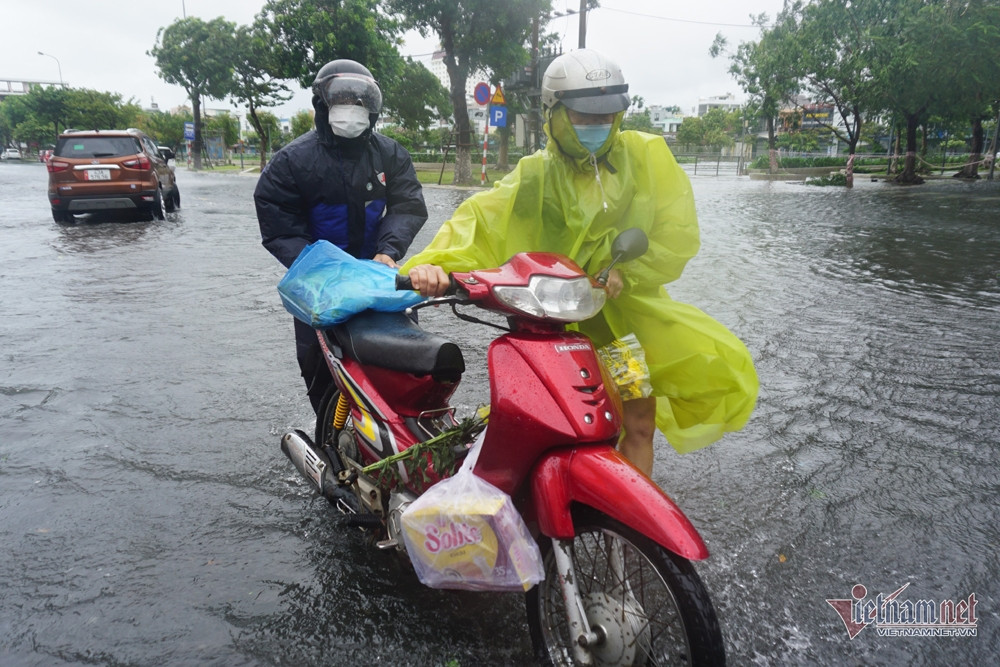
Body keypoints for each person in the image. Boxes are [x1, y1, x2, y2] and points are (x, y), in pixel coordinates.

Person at [404, 49, 758, 477]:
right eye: (585, 117)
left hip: (621, 326)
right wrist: (436, 266)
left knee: (639, 425)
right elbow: (480, 219)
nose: (598, 126)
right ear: (553, 114)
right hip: (555, 325)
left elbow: (676, 232)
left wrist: (629, 272)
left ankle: (629, 531)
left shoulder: (644, 158)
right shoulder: (536, 174)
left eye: (607, 116)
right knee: (554, 427)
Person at [255, 59, 428, 413]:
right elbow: (279, 221)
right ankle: (329, 445)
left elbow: (407, 206)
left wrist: (388, 250)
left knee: (408, 364)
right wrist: (317, 266)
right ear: (322, 105)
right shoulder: (293, 161)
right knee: (322, 372)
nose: (351, 110)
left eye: (359, 103)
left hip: (377, 276)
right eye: (342, 102)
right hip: (318, 284)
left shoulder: (390, 154)